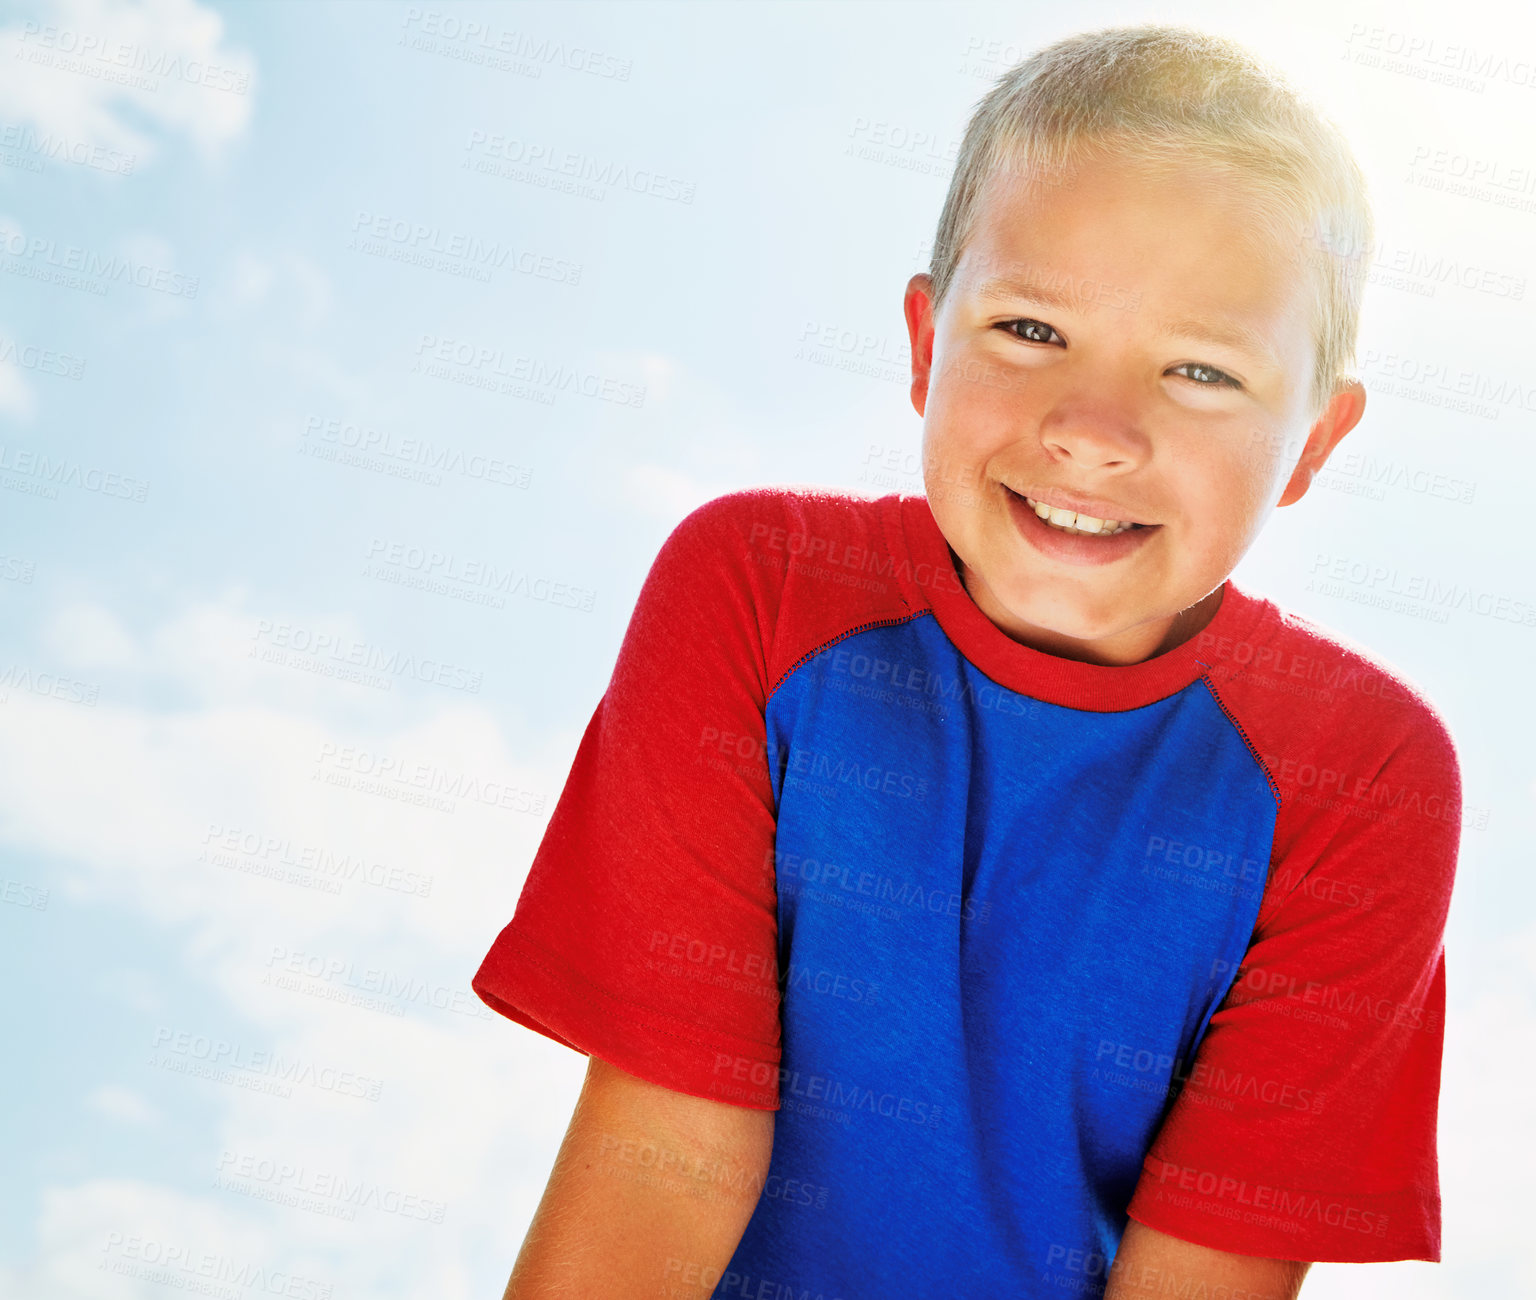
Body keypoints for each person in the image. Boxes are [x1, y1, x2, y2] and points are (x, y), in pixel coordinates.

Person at [472, 23, 1461, 1300]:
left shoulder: (1362, 777)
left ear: (1316, 441)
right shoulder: (756, 589)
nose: (1093, 432)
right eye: (1034, 330)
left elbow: (1203, 1275)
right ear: (927, 348)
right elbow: (668, 1148)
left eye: (1204, 370)